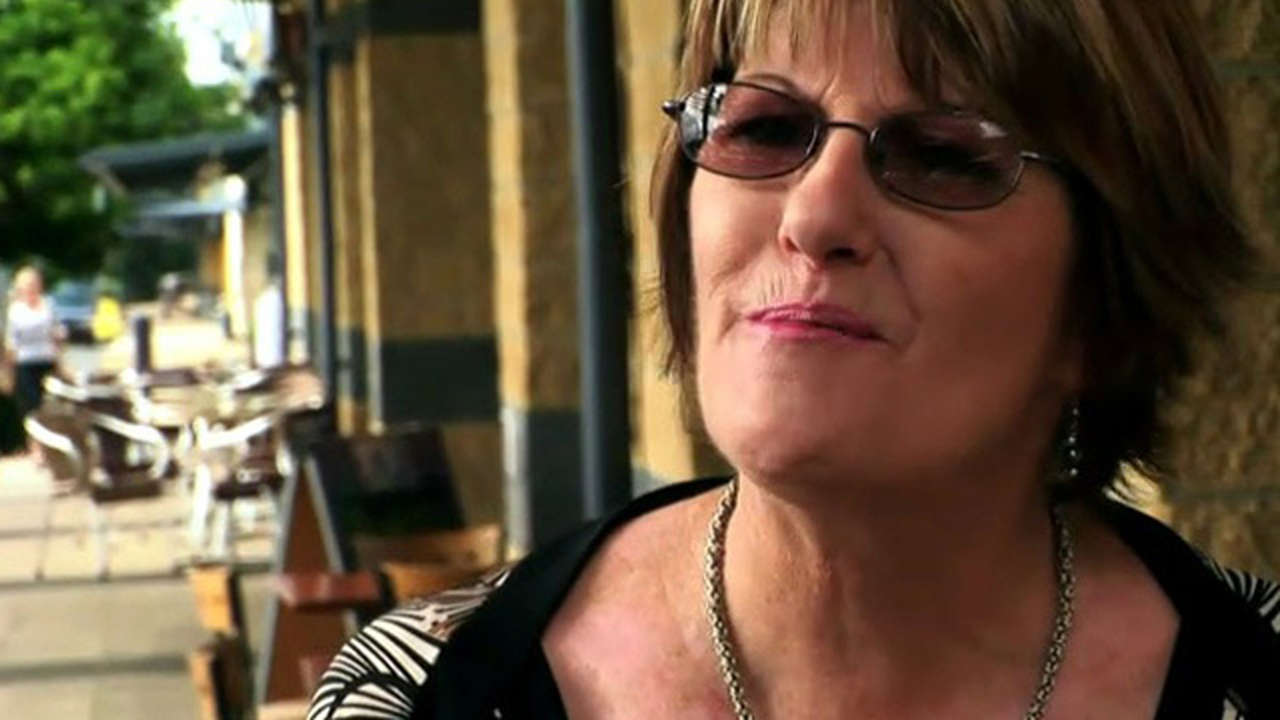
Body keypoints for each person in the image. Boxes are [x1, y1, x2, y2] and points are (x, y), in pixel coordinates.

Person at [309, 1, 1280, 718]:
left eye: (942, 156)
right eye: (766, 128)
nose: (815, 216)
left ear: (1101, 303)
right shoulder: (419, 693)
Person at [4, 266, 62, 456]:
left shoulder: (48, 305)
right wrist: (8, 370)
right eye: (27, 285)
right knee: (31, 407)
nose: (31, 288)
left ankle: (51, 446)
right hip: (25, 363)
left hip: (47, 360)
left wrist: (61, 360)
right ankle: (36, 448)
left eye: (34, 283)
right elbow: (12, 342)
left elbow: (56, 333)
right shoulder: (15, 311)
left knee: (49, 406)